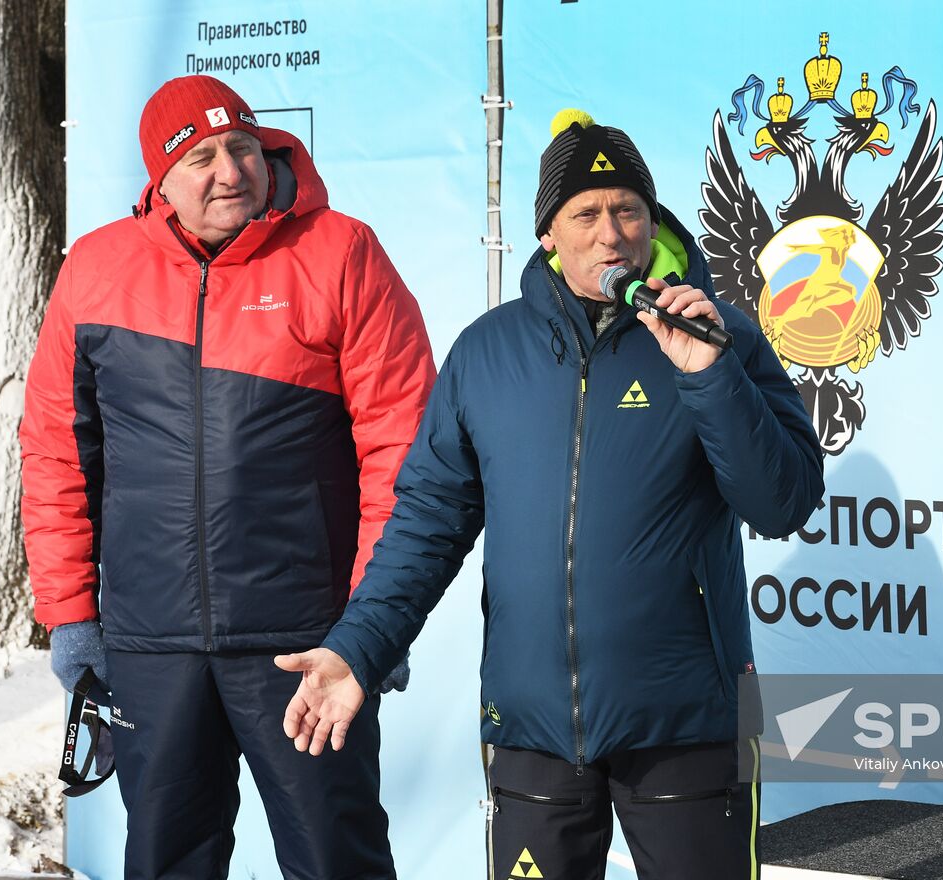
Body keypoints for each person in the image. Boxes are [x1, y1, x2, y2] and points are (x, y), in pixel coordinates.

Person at [274, 109, 824, 879]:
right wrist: (360, 648)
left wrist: (709, 374)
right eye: (587, 214)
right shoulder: (487, 352)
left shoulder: (718, 332)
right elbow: (427, 526)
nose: (611, 233)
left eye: (628, 210)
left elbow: (784, 502)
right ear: (548, 235)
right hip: (531, 729)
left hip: (690, 727)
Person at [21, 75, 436, 879]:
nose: (229, 171)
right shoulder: (96, 270)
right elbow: (56, 452)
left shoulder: (341, 252)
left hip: (306, 644)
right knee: (168, 861)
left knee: (337, 861)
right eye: (202, 156)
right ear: (161, 179)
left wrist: (379, 621)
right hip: (151, 643)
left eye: (242, 148)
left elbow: (405, 451)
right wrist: (71, 615)